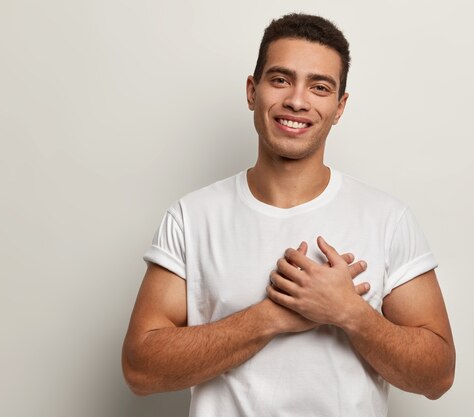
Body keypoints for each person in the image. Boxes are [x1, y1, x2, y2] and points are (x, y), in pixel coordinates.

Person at [121, 13, 455, 417]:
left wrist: (349, 314)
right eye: (280, 80)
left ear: (339, 106)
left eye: (319, 86)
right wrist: (270, 317)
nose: (297, 100)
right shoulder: (191, 218)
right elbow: (140, 369)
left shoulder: (387, 218)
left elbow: (437, 377)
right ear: (252, 91)